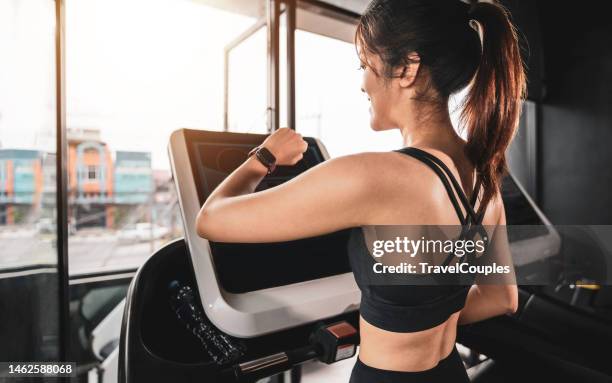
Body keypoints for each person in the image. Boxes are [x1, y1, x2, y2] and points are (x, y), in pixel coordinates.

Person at [196, 0, 524, 380]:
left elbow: (212, 219)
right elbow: (503, 298)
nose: (363, 82)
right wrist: (417, 319)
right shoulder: (486, 183)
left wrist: (266, 155)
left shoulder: (376, 176)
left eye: (365, 66)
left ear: (406, 68)